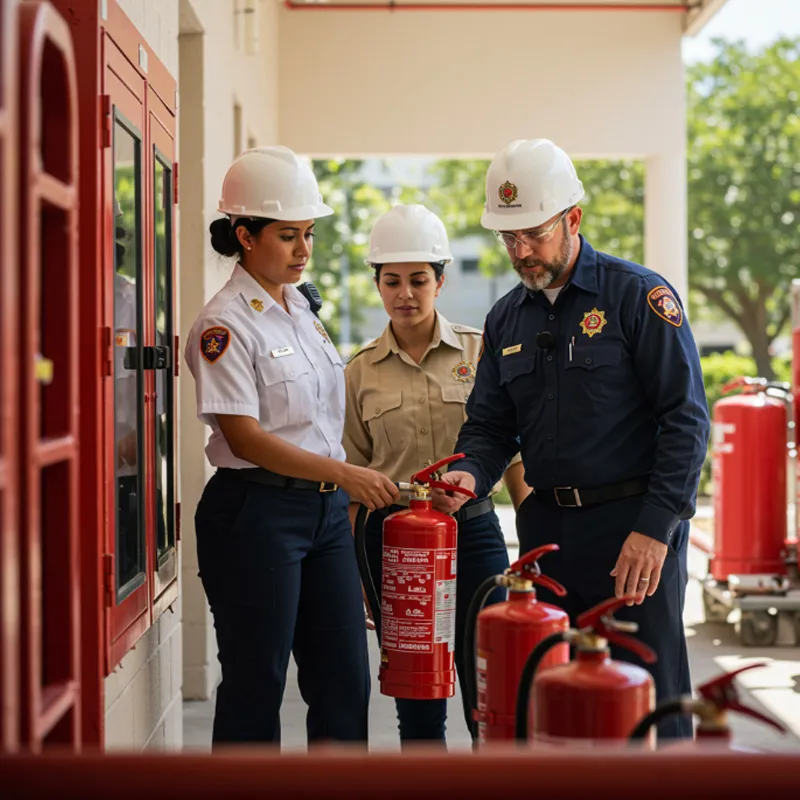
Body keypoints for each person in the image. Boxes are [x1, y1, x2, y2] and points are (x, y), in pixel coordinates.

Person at [433, 139, 710, 741]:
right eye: (508, 239)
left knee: (646, 703)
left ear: (573, 219)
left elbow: (686, 419)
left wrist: (656, 528)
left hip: (632, 536)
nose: (521, 252)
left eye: (533, 234)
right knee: (554, 708)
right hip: (547, 536)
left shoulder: (638, 296)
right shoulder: (506, 318)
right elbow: (488, 426)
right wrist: (469, 475)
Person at [184, 146, 399, 747]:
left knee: (343, 682)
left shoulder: (302, 309)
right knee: (256, 684)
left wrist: (341, 481)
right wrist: (348, 473)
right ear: (245, 236)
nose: (304, 250)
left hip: (325, 515)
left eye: (308, 233)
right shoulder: (225, 325)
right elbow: (245, 438)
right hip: (257, 513)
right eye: (288, 236)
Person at [343, 204, 530, 745]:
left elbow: (514, 456)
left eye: (418, 280)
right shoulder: (358, 372)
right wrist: (360, 573)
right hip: (394, 541)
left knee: (487, 680)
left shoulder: (480, 351)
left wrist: (534, 534)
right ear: (377, 285)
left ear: (441, 281)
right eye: (392, 281)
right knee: (417, 693)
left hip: (472, 531)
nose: (406, 293)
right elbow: (354, 477)